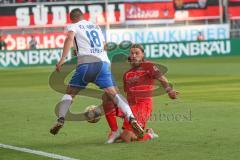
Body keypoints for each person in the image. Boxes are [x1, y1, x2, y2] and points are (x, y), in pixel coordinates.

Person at [49, 8, 144, 138]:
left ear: (72, 18)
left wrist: (63, 58)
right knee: (115, 94)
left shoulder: (74, 26)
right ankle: (132, 118)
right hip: (103, 65)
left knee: (70, 93)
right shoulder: (96, 26)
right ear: (83, 16)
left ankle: (60, 119)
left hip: (86, 65)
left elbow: (69, 38)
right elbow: (104, 46)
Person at [102, 44, 179, 144]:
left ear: (142, 55)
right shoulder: (127, 74)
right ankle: (115, 132)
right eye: (132, 53)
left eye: (137, 53)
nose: (134, 55)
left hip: (143, 106)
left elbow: (162, 78)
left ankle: (149, 134)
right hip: (130, 106)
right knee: (107, 97)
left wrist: (169, 91)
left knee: (126, 138)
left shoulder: (149, 66)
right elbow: (126, 93)